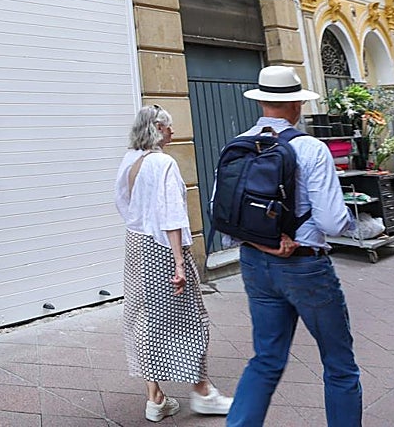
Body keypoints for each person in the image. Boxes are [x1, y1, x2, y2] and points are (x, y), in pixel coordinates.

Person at [226, 66, 362, 427]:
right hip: (305, 267)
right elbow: (333, 222)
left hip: (255, 263)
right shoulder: (310, 148)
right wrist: (353, 221)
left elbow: (223, 216)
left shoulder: (237, 144)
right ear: (298, 104)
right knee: (339, 364)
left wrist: (268, 245)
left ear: (262, 102)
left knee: (266, 359)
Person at [115, 105, 233, 422]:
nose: (173, 132)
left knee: (144, 318)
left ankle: (155, 398)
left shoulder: (130, 162)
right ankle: (204, 392)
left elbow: (122, 204)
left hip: (136, 245)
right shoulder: (163, 163)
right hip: (163, 249)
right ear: (156, 127)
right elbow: (171, 216)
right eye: (168, 127)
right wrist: (179, 263)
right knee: (193, 318)